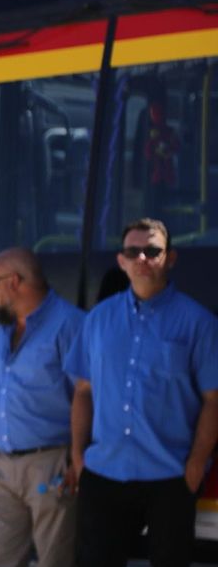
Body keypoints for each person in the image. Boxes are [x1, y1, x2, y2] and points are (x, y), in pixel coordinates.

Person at [68, 218, 218, 566]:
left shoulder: (199, 323)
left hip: (170, 476)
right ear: (121, 261)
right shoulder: (98, 320)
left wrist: (196, 463)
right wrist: (78, 456)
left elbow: (214, 399)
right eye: (133, 251)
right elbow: (83, 391)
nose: (142, 259)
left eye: (152, 251)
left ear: (170, 258)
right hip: (104, 474)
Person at [0, 248, 82, 567]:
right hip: (2, 467)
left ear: (13, 281)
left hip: (51, 463)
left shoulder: (71, 324)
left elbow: (88, 394)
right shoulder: (1, 329)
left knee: (57, 561)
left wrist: (77, 457)